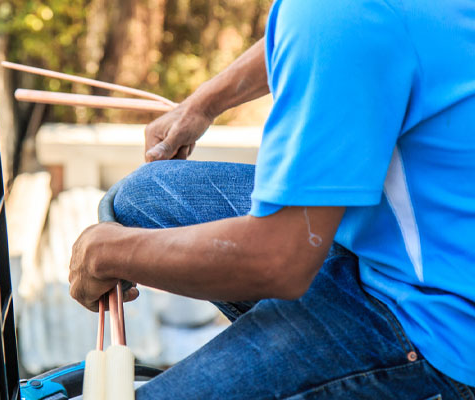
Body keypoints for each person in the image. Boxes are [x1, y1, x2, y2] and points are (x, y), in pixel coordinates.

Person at [68, 0, 475, 398]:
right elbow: (328, 37)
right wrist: (202, 105)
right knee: (144, 194)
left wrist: (106, 253)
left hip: (439, 322)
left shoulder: (345, 13)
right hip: (415, 244)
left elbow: (278, 261)